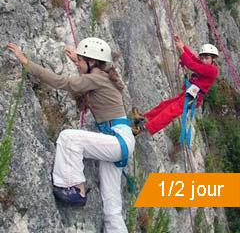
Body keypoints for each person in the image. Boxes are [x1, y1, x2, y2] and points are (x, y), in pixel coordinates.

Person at [7, 37, 135, 233]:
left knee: (68, 138)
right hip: (120, 140)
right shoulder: (102, 75)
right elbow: (88, 73)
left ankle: (73, 187)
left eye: (82, 61)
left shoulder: (95, 78)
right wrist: (79, 59)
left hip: (117, 140)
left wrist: (26, 63)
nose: (78, 63)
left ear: (91, 62)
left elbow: (61, 82)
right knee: (112, 209)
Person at [132, 36, 219, 135]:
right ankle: (145, 118)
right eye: (202, 58)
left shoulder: (212, 70)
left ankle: (144, 128)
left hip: (193, 97)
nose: (203, 60)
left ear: (213, 59)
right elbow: (193, 58)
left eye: (207, 58)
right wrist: (182, 45)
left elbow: (192, 65)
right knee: (165, 105)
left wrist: (181, 51)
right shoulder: (205, 65)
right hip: (189, 93)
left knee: (170, 111)